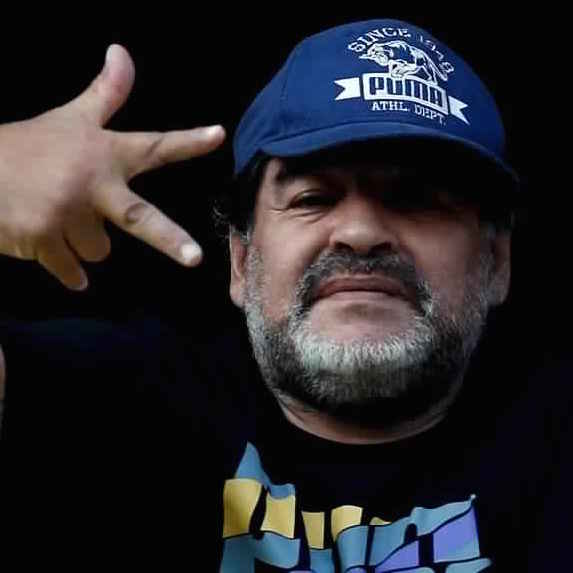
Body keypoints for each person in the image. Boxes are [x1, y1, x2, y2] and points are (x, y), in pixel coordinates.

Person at [0, 18, 569, 571]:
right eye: (312, 199)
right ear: (241, 261)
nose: (360, 233)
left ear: (498, 262)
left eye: (416, 199)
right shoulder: (123, 402)